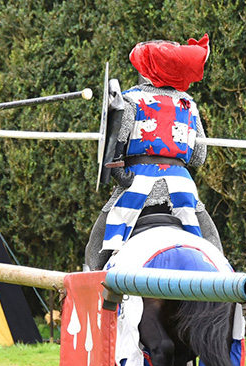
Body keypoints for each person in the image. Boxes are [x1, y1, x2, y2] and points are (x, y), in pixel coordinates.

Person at [85, 34, 222, 271]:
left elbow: (117, 142)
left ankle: (94, 287)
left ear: (149, 72)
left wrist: (118, 171)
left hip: (138, 184)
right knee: (212, 244)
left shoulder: (131, 100)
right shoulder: (188, 104)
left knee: (96, 246)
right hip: (182, 187)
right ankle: (226, 287)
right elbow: (199, 157)